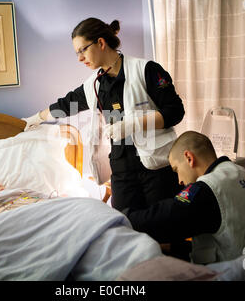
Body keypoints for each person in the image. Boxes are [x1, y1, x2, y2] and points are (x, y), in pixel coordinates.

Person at [22, 17, 185, 211]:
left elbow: (175, 112)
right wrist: (36, 119)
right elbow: (66, 105)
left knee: (162, 230)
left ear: (101, 43)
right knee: (125, 227)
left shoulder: (146, 70)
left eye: (82, 50)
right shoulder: (95, 85)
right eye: (77, 53)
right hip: (122, 170)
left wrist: (134, 124)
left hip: (156, 166)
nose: (80, 58)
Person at [123, 131, 245, 280]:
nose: (179, 180)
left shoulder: (209, 188)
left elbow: (163, 216)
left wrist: (121, 218)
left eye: (176, 170)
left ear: (189, 158)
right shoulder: (236, 172)